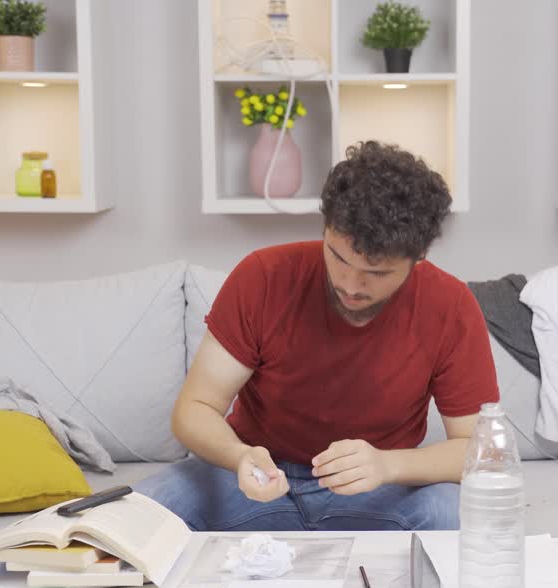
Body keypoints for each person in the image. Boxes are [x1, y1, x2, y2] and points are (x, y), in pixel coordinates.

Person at [135, 141, 498, 531]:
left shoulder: (450, 305)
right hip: (256, 477)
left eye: (377, 273)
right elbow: (195, 408)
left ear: (417, 259)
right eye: (338, 257)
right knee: (141, 511)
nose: (350, 284)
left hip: (376, 486)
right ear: (325, 229)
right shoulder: (263, 276)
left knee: (451, 513)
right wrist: (238, 456)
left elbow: (481, 450)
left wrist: (388, 464)